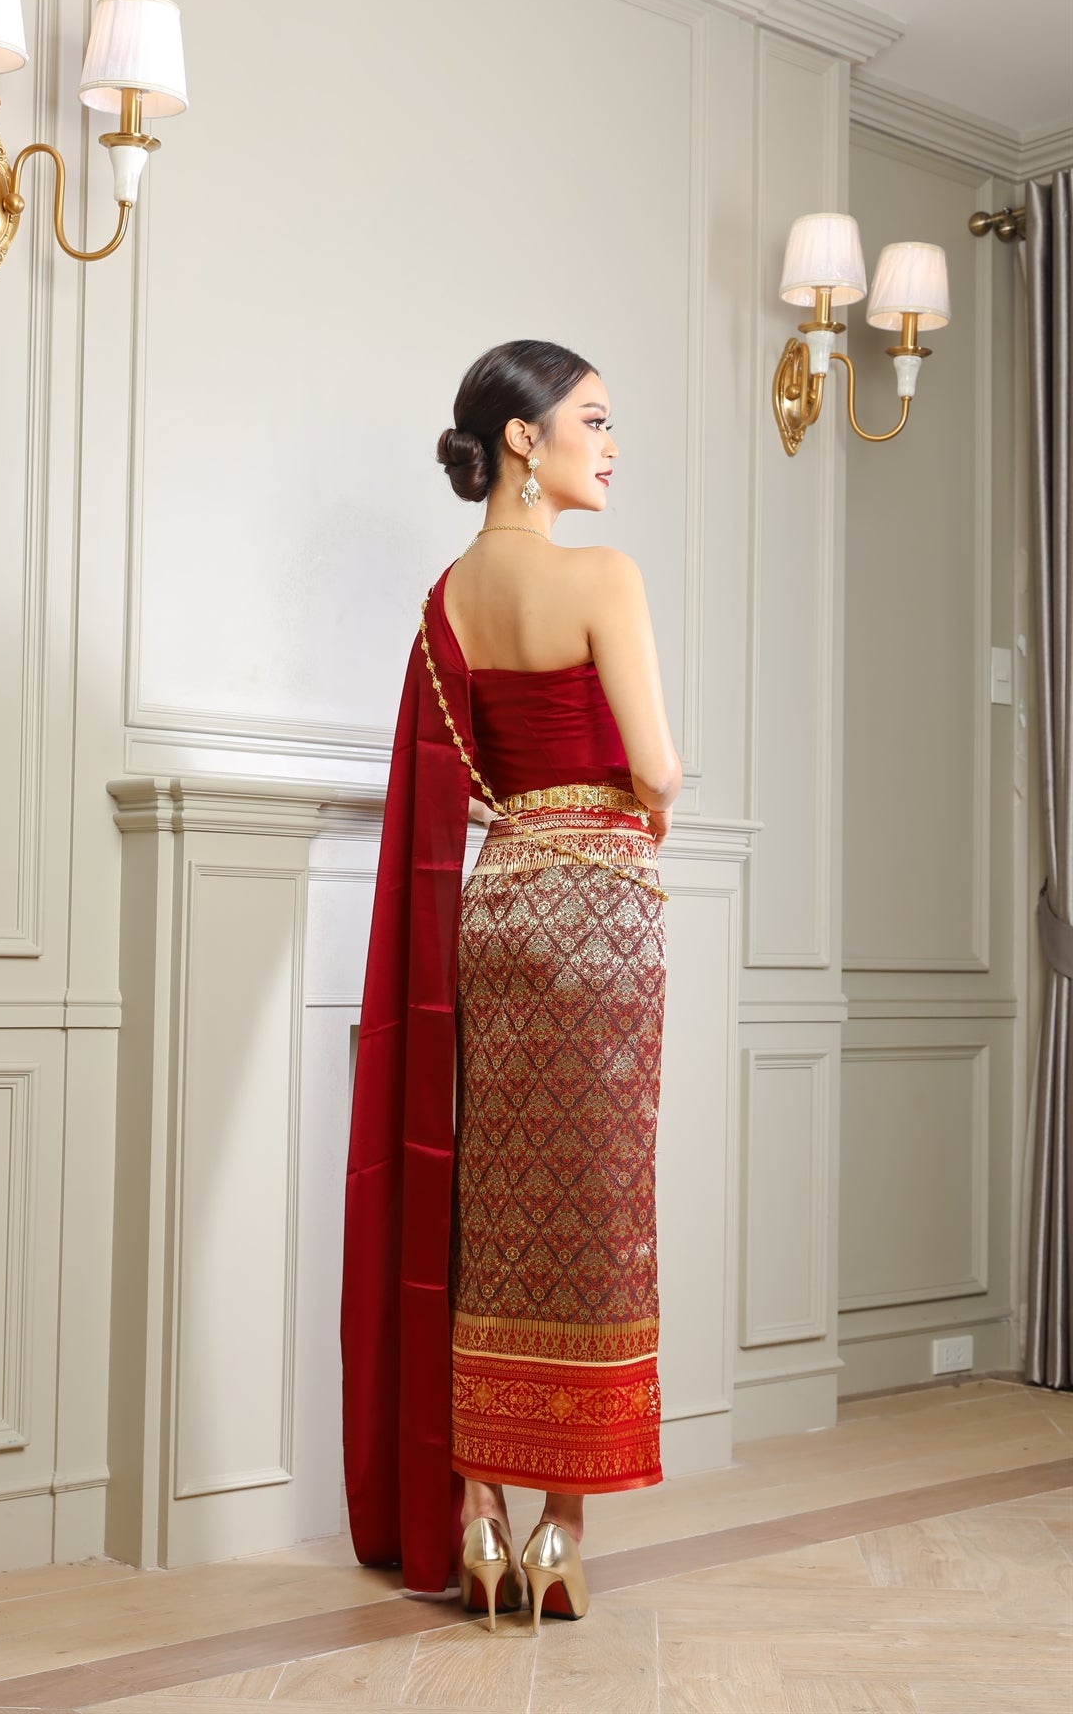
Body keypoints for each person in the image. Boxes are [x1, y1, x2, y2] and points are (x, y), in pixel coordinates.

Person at [340, 339, 682, 1635]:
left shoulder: (448, 598)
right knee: (599, 1214)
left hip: (496, 910)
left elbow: (470, 771)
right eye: (593, 419)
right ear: (525, 440)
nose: (610, 443)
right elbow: (653, 765)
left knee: (491, 1201)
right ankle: (560, 1531)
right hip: (600, 910)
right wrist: (660, 794)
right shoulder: (604, 574)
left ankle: (476, 1509)